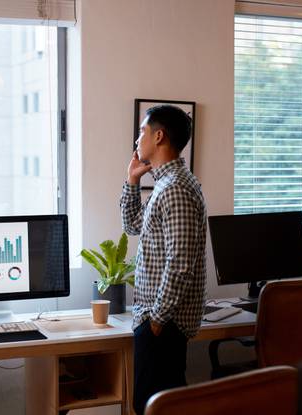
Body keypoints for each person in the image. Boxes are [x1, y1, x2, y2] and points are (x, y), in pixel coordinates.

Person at [120, 105, 207, 414]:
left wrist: (156, 320)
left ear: (159, 136)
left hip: (163, 322)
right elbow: (132, 225)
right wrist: (132, 181)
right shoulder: (165, 185)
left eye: (142, 132)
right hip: (156, 318)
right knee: (149, 405)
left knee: (153, 408)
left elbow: (180, 264)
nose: (137, 139)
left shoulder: (176, 189)